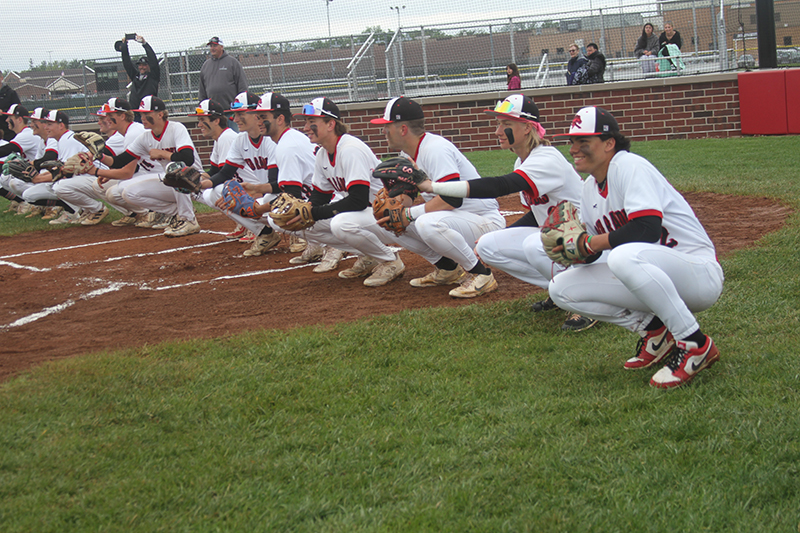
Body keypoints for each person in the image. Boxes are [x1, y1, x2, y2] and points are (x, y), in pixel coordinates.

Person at [548, 106, 723, 388]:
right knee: (561, 288)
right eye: (571, 141)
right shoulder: (589, 188)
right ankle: (654, 331)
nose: (574, 149)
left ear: (609, 143)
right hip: (652, 272)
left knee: (623, 256)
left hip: (696, 271)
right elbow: (595, 251)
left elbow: (646, 228)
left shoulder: (629, 166)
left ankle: (694, 343)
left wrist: (591, 242)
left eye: (584, 141)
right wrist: (574, 250)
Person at [411, 94, 596, 329]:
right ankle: (559, 289)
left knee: (533, 245)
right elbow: (534, 215)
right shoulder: (522, 162)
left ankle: (586, 300)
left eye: (506, 124)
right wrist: (498, 236)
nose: (498, 131)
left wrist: (433, 187)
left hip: (584, 236)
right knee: (489, 246)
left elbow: (500, 186)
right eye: (498, 123)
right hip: (561, 233)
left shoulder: (546, 158)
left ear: (527, 127)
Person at [360, 96, 505, 297]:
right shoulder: (407, 155)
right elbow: (409, 198)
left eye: (388, 125)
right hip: (458, 222)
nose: (384, 130)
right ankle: (447, 269)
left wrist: (409, 213)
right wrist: (395, 205)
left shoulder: (435, 149)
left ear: (403, 129)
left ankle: (482, 275)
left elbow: (452, 199)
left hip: (485, 226)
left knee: (425, 223)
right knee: (391, 219)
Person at [96, 96, 202, 237]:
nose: (143, 118)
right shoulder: (145, 137)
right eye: (141, 114)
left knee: (174, 168)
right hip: (174, 183)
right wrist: (99, 156)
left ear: (160, 114)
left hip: (195, 180)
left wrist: (162, 153)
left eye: (147, 114)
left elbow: (187, 159)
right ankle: (177, 213)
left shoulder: (176, 128)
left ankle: (188, 220)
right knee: (128, 192)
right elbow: (119, 162)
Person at [201, 91, 281, 256]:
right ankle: (265, 234)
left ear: (256, 114)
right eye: (235, 115)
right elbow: (224, 173)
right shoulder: (241, 139)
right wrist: (199, 185)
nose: (235, 119)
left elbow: (278, 181)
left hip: (285, 193)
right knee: (217, 192)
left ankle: (304, 235)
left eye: (240, 114)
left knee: (266, 200)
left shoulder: (271, 140)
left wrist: (250, 192)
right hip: (266, 192)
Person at [21, 110, 86, 224]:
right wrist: (37, 177)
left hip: (96, 178)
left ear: (61, 125)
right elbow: (62, 168)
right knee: (29, 195)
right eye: (45, 124)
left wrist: (39, 179)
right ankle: (77, 208)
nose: (46, 127)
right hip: (84, 178)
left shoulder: (68, 140)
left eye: (49, 124)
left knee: (59, 185)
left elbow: (67, 172)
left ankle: (86, 210)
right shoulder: (61, 140)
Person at [198, 37, 248, 132]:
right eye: (211, 46)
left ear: (221, 46)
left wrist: (240, 107)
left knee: (234, 138)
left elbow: (242, 85)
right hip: (214, 114)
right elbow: (202, 88)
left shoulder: (232, 63)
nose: (212, 48)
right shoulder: (206, 65)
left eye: (215, 46)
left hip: (231, 113)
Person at [119, 34, 160, 122]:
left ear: (149, 66)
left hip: (148, 113)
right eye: (140, 65)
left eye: (144, 65)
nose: (142, 67)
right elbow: (127, 63)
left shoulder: (153, 76)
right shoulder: (135, 76)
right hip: (135, 114)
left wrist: (144, 44)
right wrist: (124, 46)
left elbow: (153, 61)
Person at [0, 72, 21, 141]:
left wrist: (3, 112)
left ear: (1, 78)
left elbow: (18, 109)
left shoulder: (10, 93)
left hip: (8, 131)